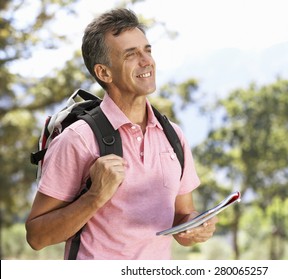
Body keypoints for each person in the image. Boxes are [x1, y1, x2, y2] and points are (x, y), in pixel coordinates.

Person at [25, 8, 218, 260]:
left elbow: (183, 214)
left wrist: (193, 227)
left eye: (147, 50)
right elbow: (36, 237)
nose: (146, 60)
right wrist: (94, 197)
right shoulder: (78, 140)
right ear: (104, 72)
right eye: (131, 54)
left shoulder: (173, 137)